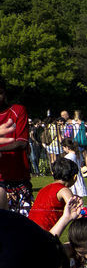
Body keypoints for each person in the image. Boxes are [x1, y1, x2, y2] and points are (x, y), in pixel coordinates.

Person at [0, 78, 33, 216]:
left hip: (18, 179)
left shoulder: (17, 110)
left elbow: (22, 142)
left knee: (23, 223)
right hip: (0, 180)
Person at [27, 156, 82, 236]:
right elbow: (76, 211)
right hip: (44, 234)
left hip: (29, 228)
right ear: (75, 177)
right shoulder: (64, 190)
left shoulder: (43, 189)